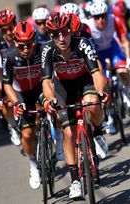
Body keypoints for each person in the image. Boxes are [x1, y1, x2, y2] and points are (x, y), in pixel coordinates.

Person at [42, 12, 108, 199]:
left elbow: (96, 73)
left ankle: (96, 132)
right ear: (50, 36)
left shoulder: (83, 44)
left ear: (71, 31)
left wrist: (101, 92)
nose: (61, 38)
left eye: (64, 32)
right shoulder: (48, 50)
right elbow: (46, 81)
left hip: (84, 81)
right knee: (69, 133)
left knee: (92, 105)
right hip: (63, 88)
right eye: (55, 34)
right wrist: (50, 99)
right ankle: (75, 181)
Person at [2, 21, 42, 190]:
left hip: (41, 89)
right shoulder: (9, 57)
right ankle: (33, 165)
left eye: (29, 44)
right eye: (21, 46)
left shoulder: (44, 50)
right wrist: (17, 103)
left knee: (55, 114)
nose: (26, 49)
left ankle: (57, 137)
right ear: (15, 43)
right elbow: (7, 84)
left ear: (35, 41)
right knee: (27, 134)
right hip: (22, 94)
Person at [87, 1, 130, 134]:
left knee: (123, 70)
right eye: (97, 17)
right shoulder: (89, 26)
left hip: (112, 49)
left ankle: (126, 91)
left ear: (107, 14)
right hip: (98, 54)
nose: (101, 20)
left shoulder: (115, 20)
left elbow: (124, 41)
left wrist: (129, 58)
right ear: (92, 17)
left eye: (103, 16)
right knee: (103, 84)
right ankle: (110, 118)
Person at [0, 9, 21, 146]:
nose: (9, 33)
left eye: (11, 28)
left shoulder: (22, 34)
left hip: (23, 72)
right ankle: (13, 127)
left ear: (16, 24)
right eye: (4, 30)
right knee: (5, 104)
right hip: (6, 76)